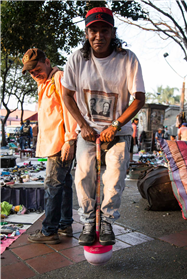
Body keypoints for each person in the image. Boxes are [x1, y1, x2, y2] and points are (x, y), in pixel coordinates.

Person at [61, 7, 145, 247]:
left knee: (115, 176)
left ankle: (107, 220)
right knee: (84, 174)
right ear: (87, 33)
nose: (99, 36)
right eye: (93, 30)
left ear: (113, 32)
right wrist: (82, 125)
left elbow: (139, 98)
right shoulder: (78, 58)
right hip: (87, 132)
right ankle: (88, 221)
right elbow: (67, 95)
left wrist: (116, 125)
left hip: (118, 133)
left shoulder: (127, 58)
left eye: (104, 30)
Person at [21, 48, 77, 244]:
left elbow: (70, 110)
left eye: (37, 68)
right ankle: (64, 224)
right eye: (31, 71)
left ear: (47, 61)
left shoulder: (58, 77)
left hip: (60, 143)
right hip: (56, 143)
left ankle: (49, 231)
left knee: (52, 186)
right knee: (63, 184)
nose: (35, 73)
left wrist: (70, 140)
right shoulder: (44, 83)